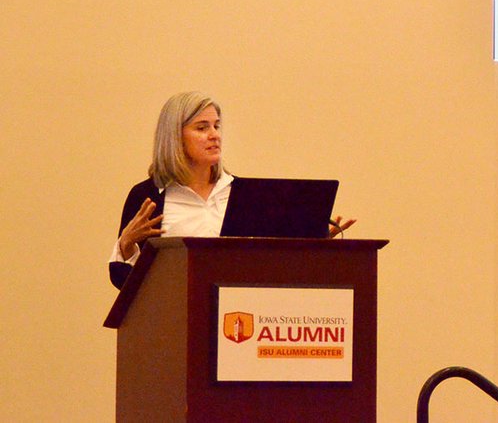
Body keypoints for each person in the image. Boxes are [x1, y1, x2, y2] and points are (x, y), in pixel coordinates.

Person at [109, 92, 354, 289]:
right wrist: (127, 246)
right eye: (202, 128)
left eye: (216, 126)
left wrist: (312, 243)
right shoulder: (148, 197)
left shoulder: (245, 195)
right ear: (175, 137)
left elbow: (266, 266)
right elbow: (125, 284)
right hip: (172, 323)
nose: (214, 135)